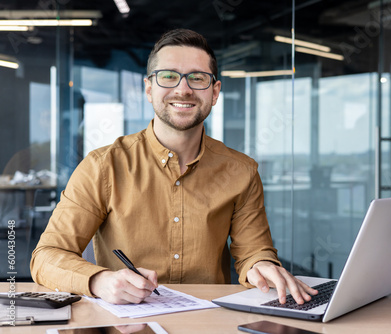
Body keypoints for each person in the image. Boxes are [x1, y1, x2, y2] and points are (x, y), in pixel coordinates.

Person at [31, 28, 317, 305]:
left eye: (198, 78)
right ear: (148, 88)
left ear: (215, 92)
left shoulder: (242, 171)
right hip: (126, 325)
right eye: (168, 76)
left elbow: (254, 251)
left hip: (207, 325)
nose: (183, 89)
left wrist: (261, 265)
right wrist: (99, 280)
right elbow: (46, 257)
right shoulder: (102, 167)